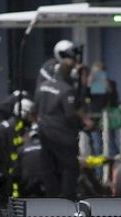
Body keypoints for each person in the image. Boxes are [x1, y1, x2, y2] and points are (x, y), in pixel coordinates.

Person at [35, 56, 90, 199]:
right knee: (70, 167)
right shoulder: (66, 90)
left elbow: (36, 107)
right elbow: (70, 115)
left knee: (49, 168)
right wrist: (83, 125)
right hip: (62, 136)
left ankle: (52, 199)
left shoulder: (42, 86)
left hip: (44, 134)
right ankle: (67, 199)